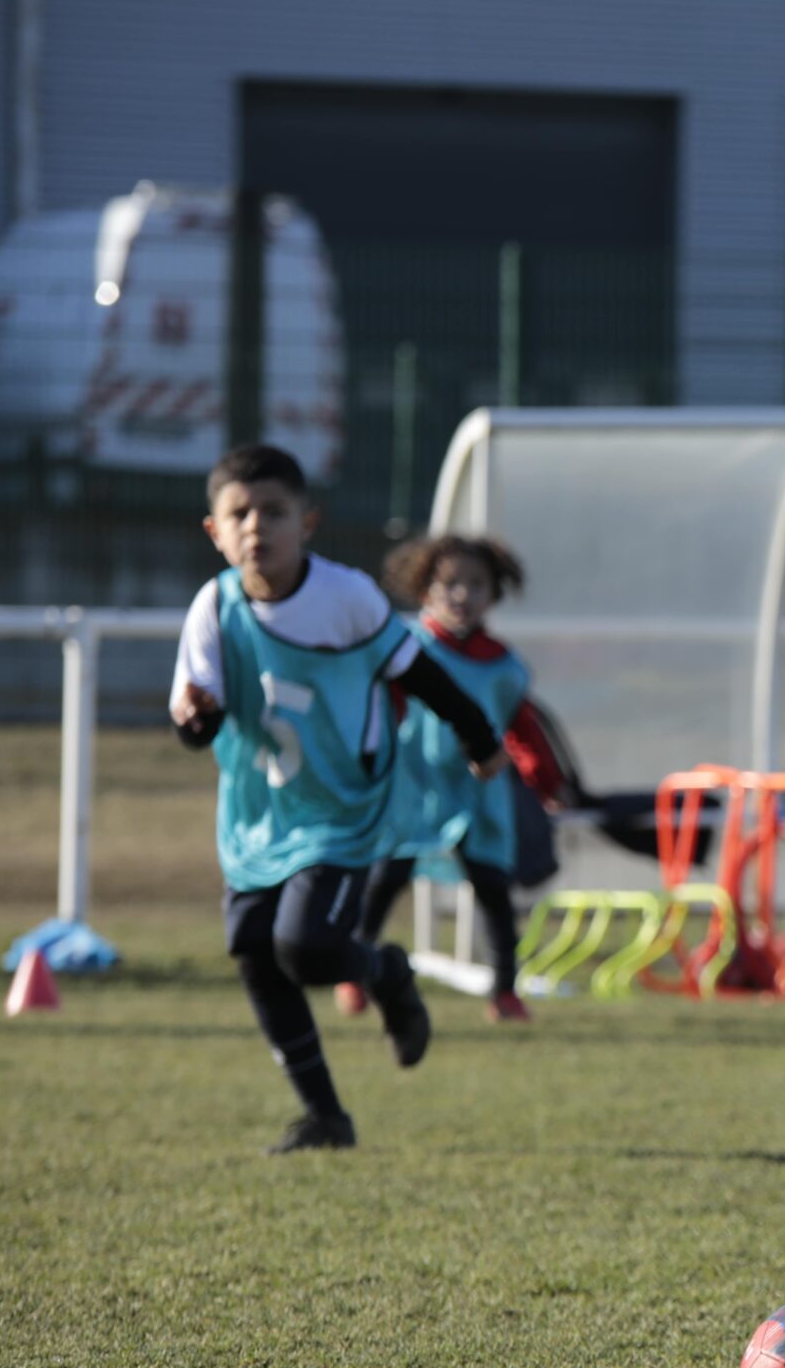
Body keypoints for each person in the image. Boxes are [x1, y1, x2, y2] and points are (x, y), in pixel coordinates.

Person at [169, 446, 505, 1154]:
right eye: (240, 513)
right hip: (259, 816)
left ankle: (385, 972)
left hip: (345, 807)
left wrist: (478, 737)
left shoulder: (346, 597)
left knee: (307, 946)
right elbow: (198, 726)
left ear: (308, 522)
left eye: (275, 511)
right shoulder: (213, 609)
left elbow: (421, 674)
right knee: (256, 954)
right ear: (215, 532)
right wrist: (194, 717)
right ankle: (326, 1116)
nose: (257, 526)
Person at [340, 534, 547, 1025]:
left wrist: (542, 775)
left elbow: (523, 724)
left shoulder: (504, 664)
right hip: (415, 788)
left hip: (481, 792)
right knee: (386, 880)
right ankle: (353, 970)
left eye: (476, 584)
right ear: (424, 589)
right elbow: (372, 704)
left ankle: (505, 991)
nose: (462, 594)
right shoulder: (406, 647)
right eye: (449, 583)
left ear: (493, 594)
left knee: (494, 890)